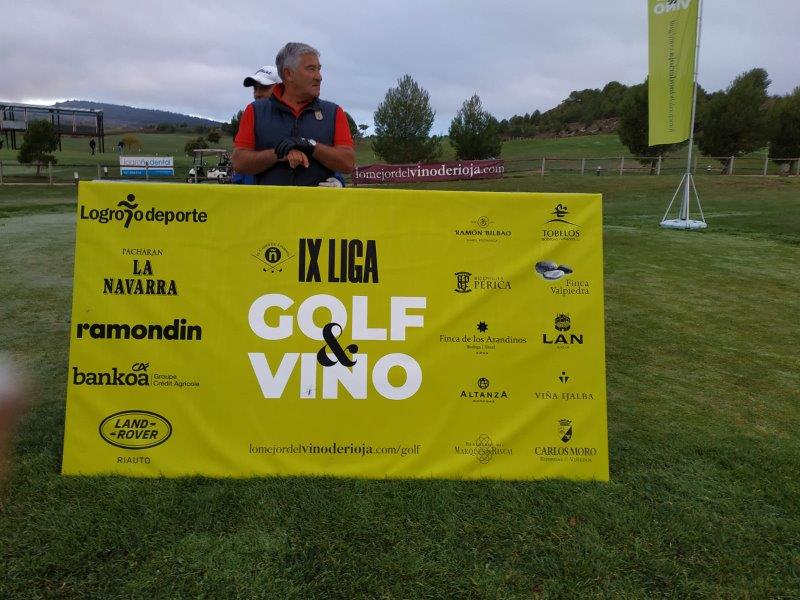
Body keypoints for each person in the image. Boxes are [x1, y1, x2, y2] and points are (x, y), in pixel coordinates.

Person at [232, 42, 355, 186]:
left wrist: (311, 146)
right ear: (288, 74)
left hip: (319, 207)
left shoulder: (334, 112)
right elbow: (239, 162)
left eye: (319, 69)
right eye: (311, 69)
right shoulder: (255, 111)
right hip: (269, 207)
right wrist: (279, 153)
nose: (319, 77)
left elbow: (348, 163)